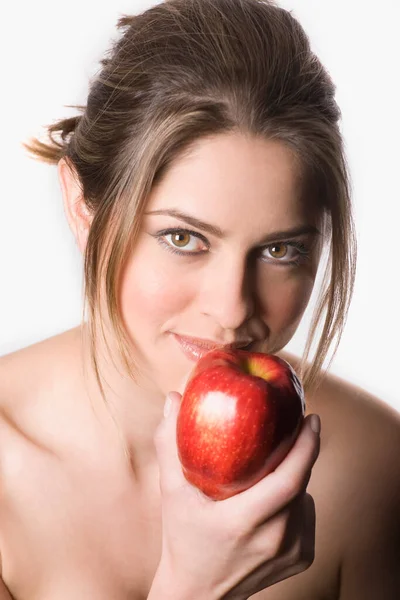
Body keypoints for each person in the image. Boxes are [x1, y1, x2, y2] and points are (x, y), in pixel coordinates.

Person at [0, 0, 399, 598]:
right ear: (84, 207)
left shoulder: (376, 469)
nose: (234, 309)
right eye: (182, 238)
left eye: (280, 251)